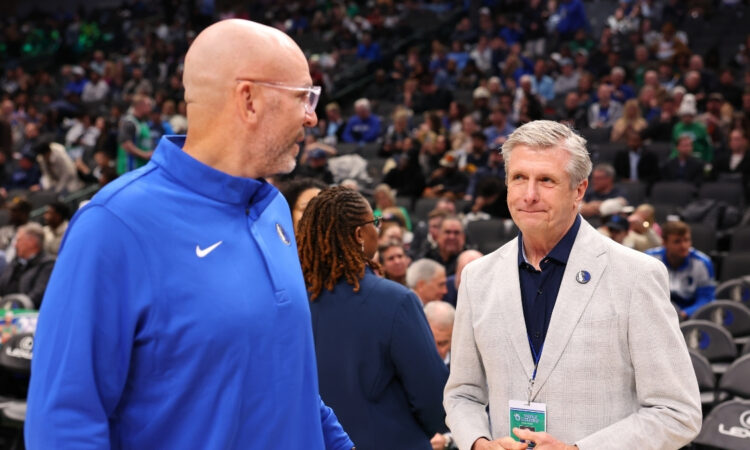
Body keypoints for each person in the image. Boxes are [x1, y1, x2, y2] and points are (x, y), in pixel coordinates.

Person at [26, 19, 353, 450]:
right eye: (303, 97)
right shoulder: (113, 225)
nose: (312, 117)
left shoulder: (274, 207)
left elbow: (287, 381)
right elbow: (64, 424)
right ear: (249, 99)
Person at [444, 120, 701, 450]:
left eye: (547, 180)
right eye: (519, 178)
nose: (530, 194)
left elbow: (677, 412)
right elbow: (463, 394)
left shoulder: (636, 276)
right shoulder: (477, 278)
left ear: (579, 190)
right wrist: (479, 442)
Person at [297, 186, 448, 450]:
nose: (377, 228)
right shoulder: (397, 300)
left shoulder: (291, 302)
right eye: (374, 222)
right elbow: (434, 399)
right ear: (359, 234)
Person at [646, 221, 716, 320]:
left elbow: (706, 298)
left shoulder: (702, 262)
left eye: (686, 240)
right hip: (656, 313)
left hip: (689, 316)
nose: (684, 246)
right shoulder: (650, 259)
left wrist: (685, 313)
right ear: (664, 243)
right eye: (677, 241)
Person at [0, 223, 55, 308]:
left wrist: (14, 304)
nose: (15, 245)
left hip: (28, 314)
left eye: (19, 240)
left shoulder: (48, 264)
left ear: (31, 242)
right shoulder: (15, 262)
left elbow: (37, 296)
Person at [116, 94, 154, 174]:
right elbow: (126, 144)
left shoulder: (143, 123)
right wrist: (144, 154)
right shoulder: (129, 122)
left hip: (141, 168)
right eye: (148, 105)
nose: (150, 108)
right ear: (139, 106)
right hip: (129, 170)